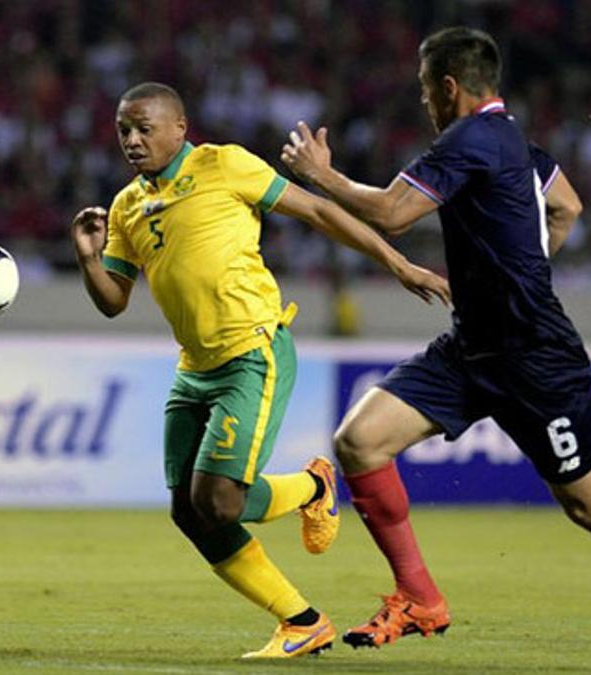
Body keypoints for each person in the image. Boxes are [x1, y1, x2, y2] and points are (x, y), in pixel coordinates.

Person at [280, 27, 591, 673]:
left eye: (423, 90)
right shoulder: (517, 143)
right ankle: (419, 596)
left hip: (534, 356)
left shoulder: (467, 139)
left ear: (448, 87)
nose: (422, 103)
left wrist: (322, 175)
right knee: (360, 440)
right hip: (472, 344)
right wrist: (527, 266)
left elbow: (391, 213)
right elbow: (567, 205)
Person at [70, 81, 451, 659]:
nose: (131, 139)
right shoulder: (125, 206)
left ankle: (314, 485)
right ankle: (301, 620)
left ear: (180, 127)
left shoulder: (223, 164)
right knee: (188, 511)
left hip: (252, 351)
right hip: (193, 369)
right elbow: (113, 300)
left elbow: (318, 210)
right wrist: (89, 259)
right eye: (124, 128)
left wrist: (398, 264)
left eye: (144, 127)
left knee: (219, 501)